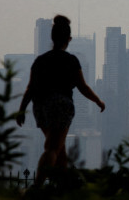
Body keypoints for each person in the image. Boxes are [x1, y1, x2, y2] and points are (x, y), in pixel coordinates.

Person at [16, 15, 105, 186]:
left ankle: (61, 187)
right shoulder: (70, 60)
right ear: (69, 39)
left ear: (52, 37)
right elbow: (83, 87)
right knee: (52, 148)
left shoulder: (40, 60)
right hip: (60, 105)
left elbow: (30, 88)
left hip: (40, 107)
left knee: (59, 149)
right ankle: (37, 187)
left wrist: (22, 110)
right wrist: (98, 101)